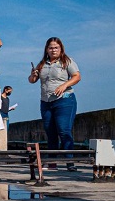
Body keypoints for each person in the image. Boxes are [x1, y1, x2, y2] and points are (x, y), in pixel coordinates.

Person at [28, 37, 81, 172]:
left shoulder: (67, 61)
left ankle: (70, 161)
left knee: (63, 130)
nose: (53, 50)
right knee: (50, 132)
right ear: (47, 49)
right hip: (46, 102)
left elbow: (77, 76)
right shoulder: (42, 64)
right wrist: (33, 75)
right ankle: (52, 163)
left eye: (56, 47)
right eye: (51, 47)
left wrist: (64, 85)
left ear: (61, 49)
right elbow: (32, 80)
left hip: (64, 100)